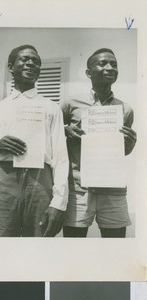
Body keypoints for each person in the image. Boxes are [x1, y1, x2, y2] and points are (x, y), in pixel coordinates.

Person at [0, 44, 69, 237]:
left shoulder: (51, 108)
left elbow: (61, 158)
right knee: (2, 244)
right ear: (11, 67)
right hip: (5, 181)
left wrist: (59, 202)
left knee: (39, 244)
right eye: (25, 59)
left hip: (41, 182)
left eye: (35, 61)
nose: (31, 63)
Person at [61, 48, 137, 238]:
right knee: (74, 249)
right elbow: (52, 137)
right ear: (88, 72)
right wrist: (65, 131)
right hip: (78, 189)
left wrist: (129, 144)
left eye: (114, 64)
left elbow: (121, 152)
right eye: (103, 63)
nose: (110, 68)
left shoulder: (125, 109)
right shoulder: (70, 104)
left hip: (113, 189)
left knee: (115, 249)